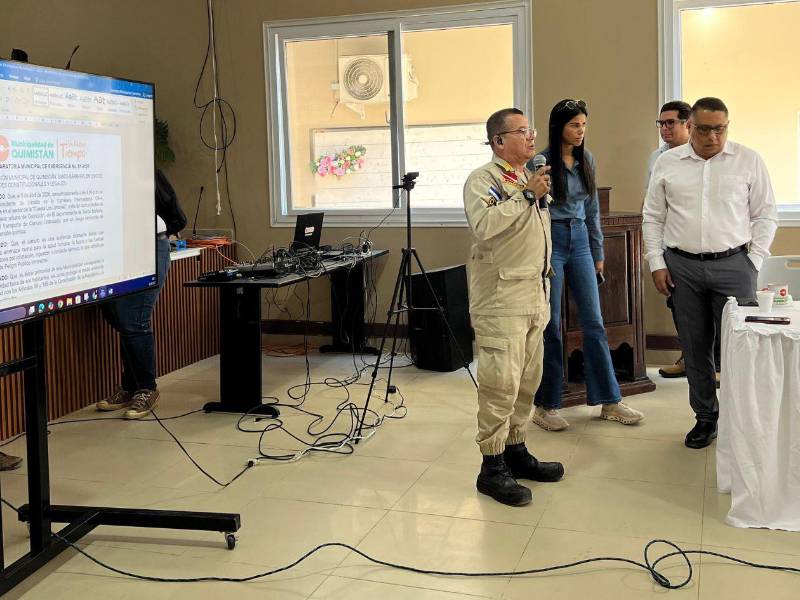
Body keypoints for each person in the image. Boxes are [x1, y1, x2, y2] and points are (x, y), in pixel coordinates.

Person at [642, 97, 778, 449]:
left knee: (741, 347)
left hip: (735, 265)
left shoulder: (748, 160)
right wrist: (656, 263)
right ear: (690, 126)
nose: (712, 136)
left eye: (720, 129)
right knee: (694, 345)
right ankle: (706, 418)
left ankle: (743, 420)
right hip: (681, 266)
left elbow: (765, 214)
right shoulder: (669, 163)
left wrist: (754, 261)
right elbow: (653, 217)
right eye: (704, 129)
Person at [463, 107, 564, 506]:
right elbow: (484, 226)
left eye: (531, 130)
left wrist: (530, 191)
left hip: (534, 294)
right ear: (498, 141)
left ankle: (516, 450)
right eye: (522, 131)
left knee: (527, 381)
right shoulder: (483, 181)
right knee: (499, 384)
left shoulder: (530, 177)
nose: (531, 137)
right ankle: (491, 467)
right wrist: (526, 196)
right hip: (500, 298)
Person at [529, 99, 644, 432]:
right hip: (551, 241)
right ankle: (546, 404)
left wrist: (597, 252)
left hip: (580, 241)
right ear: (558, 127)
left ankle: (609, 400)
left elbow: (592, 211)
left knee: (594, 322)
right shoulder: (542, 162)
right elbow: (532, 207)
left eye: (583, 125)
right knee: (551, 324)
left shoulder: (587, 159)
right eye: (574, 125)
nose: (580, 132)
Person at [95, 171, 178, 419]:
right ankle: (131, 386)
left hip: (150, 247)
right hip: (117, 247)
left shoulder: (143, 170)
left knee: (135, 320)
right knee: (122, 319)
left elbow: (172, 208)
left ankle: (146, 388)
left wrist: (172, 230)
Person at [648, 101, 721, 382]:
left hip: (709, 248)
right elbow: (653, 204)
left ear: (687, 124)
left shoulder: (707, 156)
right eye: (661, 123)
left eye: (671, 123)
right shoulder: (658, 158)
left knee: (715, 314)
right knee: (681, 310)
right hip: (672, 246)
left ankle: (714, 365)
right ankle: (687, 358)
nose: (665, 128)